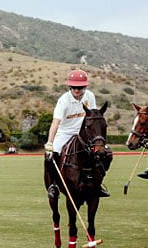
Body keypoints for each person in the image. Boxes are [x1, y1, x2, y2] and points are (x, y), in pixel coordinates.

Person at [44, 69, 110, 198]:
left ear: (85, 87)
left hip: (84, 133)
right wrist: (50, 143)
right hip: (65, 132)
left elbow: (93, 117)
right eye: (73, 87)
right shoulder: (64, 100)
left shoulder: (90, 96)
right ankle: (53, 185)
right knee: (51, 156)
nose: (76, 90)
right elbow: (55, 123)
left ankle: (98, 184)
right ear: (69, 86)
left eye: (79, 87)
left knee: (105, 154)